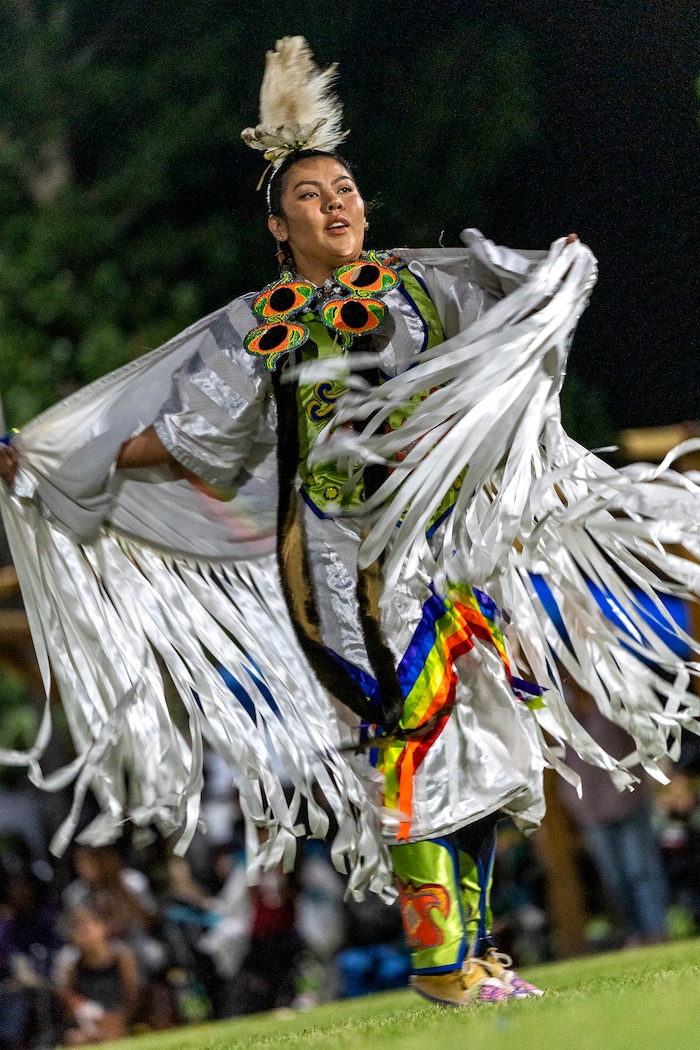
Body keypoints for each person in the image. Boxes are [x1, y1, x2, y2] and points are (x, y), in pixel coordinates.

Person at [1, 36, 699, 1008]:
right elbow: (189, 436)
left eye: (344, 190)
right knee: (411, 733)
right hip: (339, 572)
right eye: (309, 198)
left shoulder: (420, 285)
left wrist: (558, 276)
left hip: (444, 557)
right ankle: (441, 965)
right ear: (279, 230)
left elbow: (513, 290)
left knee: (492, 739)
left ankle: (478, 951)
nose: (336, 204)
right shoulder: (267, 322)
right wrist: (61, 457)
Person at [56, 902, 140, 1045]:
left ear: (102, 927)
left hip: (122, 1020)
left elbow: (134, 998)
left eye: (88, 925)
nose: (84, 931)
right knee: (74, 1039)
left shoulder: (122, 958)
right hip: (91, 1025)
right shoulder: (73, 968)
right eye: (77, 928)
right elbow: (68, 1010)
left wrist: (115, 1021)